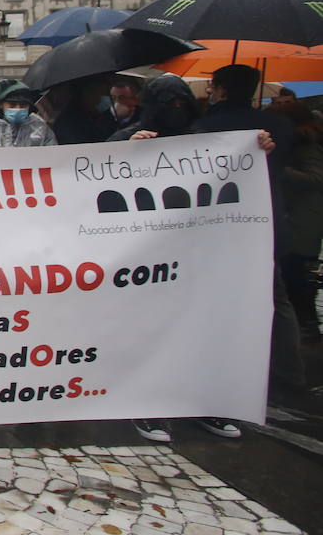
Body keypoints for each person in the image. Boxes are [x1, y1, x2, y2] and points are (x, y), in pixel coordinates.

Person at [110, 72, 266, 442]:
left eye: (182, 104)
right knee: (149, 333)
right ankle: (147, 406)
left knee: (199, 331)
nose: (175, 111)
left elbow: (242, 177)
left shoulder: (208, 141)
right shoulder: (126, 138)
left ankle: (205, 403)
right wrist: (124, 149)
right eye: (168, 105)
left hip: (197, 255)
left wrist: (257, 149)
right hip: (144, 257)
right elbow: (90, 179)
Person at [192, 64, 304, 400]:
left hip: (222, 227)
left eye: (213, 86)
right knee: (276, 298)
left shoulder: (205, 127)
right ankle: (290, 371)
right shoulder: (280, 126)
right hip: (268, 221)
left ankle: (228, 368)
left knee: (220, 300)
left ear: (221, 88)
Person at [265, 98, 323, 338]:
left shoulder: (307, 144)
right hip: (294, 218)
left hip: (303, 221)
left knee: (295, 276)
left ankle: (307, 326)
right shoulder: (293, 141)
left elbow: (315, 178)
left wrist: (279, 167)